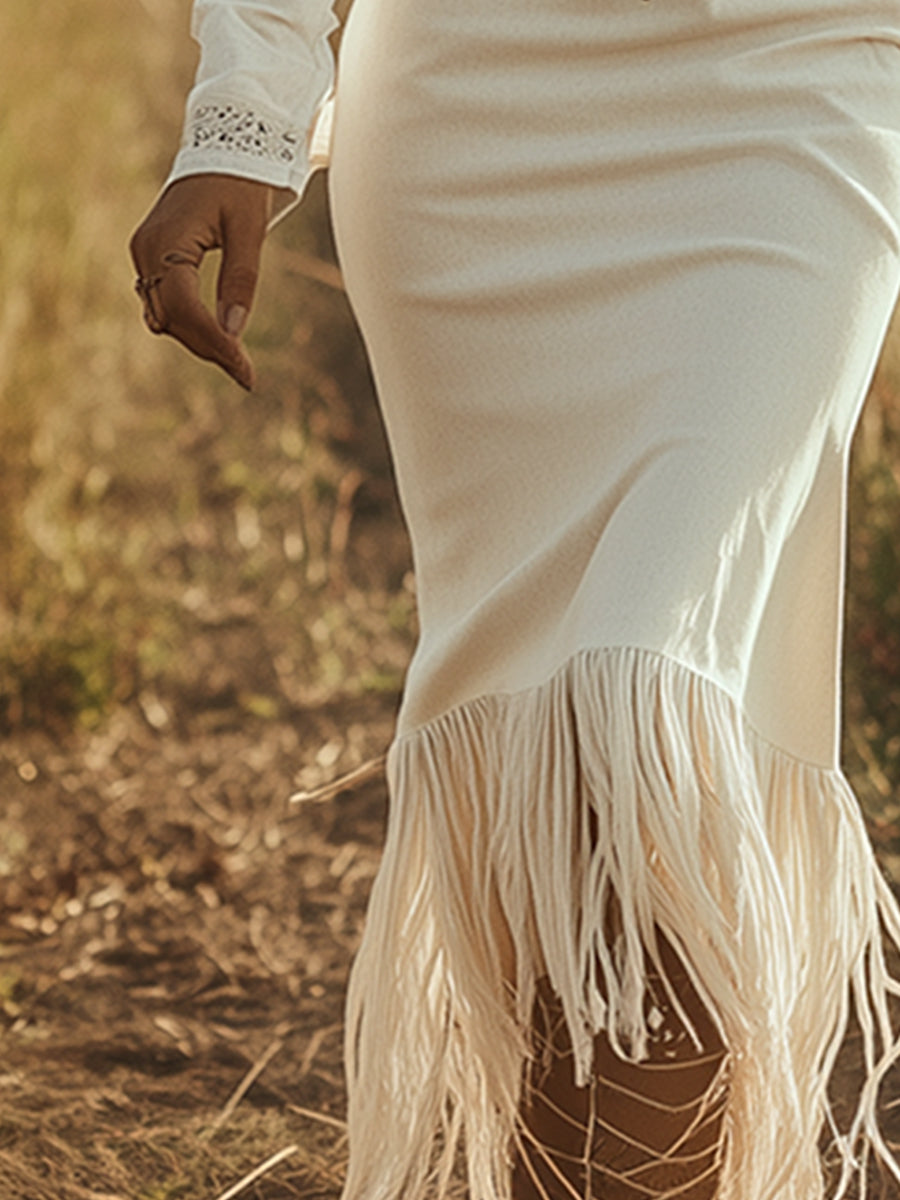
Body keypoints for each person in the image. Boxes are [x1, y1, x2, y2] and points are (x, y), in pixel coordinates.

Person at [130, 1, 900, 1196]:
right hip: (472, 105)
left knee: (640, 737)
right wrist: (242, 120)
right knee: (557, 783)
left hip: (793, 85)